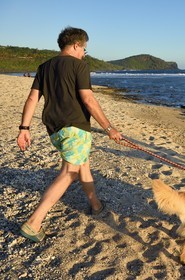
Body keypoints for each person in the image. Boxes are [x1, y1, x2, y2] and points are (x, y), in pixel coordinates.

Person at [16, 27, 123, 242]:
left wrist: (24, 129)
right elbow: (88, 99)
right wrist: (109, 128)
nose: (84, 53)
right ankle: (33, 223)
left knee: (83, 163)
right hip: (75, 127)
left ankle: (95, 205)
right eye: (84, 48)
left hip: (54, 128)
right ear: (76, 45)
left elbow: (31, 99)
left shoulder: (44, 67)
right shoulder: (79, 65)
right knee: (69, 172)